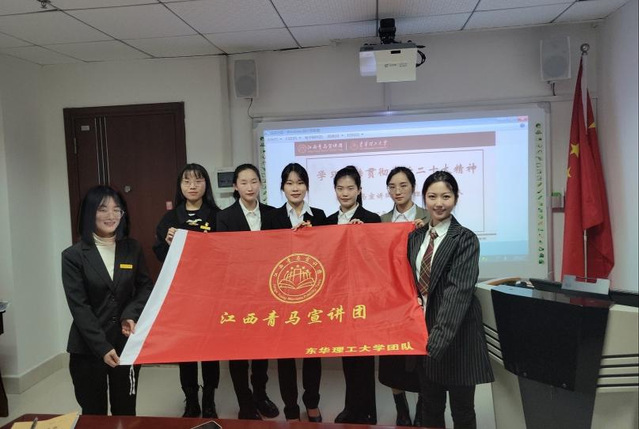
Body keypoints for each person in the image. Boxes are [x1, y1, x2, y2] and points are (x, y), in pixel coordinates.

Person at [408, 171, 494, 429]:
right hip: (424, 335)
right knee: (431, 409)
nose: (439, 203)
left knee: (463, 411)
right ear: (424, 199)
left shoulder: (465, 238)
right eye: (432, 196)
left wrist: (435, 342)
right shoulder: (415, 237)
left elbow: (458, 293)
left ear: (455, 198)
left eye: (446, 196)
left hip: (457, 338)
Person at [61, 185, 153, 415]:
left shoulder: (132, 248)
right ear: (89, 213)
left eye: (116, 209)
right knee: (94, 414)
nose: (111, 215)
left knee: (125, 411)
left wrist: (130, 314)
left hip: (125, 344)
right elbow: (79, 307)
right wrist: (102, 347)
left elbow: (145, 287)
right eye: (103, 209)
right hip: (87, 348)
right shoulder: (73, 256)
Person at [152, 163, 221, 418]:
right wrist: (168, 243)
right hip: (182, 295)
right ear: (180, 186)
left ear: (206, 185)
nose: (193, 186)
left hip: (211, 294)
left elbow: (226, 254)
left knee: (211, 349)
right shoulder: (170, 219)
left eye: (198, 180)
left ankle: (210, 399)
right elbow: (159, 255)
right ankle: (191, 399)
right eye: (187, 181)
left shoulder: (217, 215)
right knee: (186, 349)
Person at [262, 163, 326, 422]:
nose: (295, 188)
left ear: (307, 186)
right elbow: (266, 255)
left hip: (313, 296)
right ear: (282, 187)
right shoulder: (272, 218)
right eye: (289, 183)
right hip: (282, 296)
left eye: (300, 182)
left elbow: (328, 253)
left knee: (313, 354)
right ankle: (290, 407)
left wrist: (312, 238)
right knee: (285, 356)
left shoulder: (319, 216)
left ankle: (312, 403)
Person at [216, 163, 280, 420]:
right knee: (239, 351)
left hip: (266, 294)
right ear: (235, 186)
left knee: (262, 349)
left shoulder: (272, 214)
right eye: (243, 182)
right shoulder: (224, 217)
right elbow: (223, 257)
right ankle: (245, 402)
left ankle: (260, 395)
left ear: (260, 184)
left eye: (254, 181)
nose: (250, 187)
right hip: (237, 294)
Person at [326, 165, 380, 425]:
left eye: (350, 188)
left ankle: (368, 410)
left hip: (364, 297)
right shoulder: (327, 221)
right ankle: (351, 407)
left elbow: (377, 257)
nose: (345, 193)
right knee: (347, 355)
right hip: (339, 298)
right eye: (340, 188)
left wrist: (364, 234)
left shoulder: (372, 219)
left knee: (365, 356)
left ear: (359, 190)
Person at [378, 166, 429, 426]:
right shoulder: (381, 220)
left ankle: (422, 406)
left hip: (421, 298)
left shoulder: (428, 216)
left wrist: (425, 230)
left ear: (413, 187)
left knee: (420, 356)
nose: (397, 191)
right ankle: (401, 407)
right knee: (392, 359)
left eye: (403, 186)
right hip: (390, 300)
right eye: (392, 187)